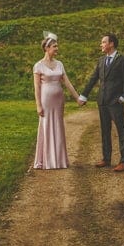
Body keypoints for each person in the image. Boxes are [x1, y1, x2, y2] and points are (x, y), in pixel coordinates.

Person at [78, 33, 124, 172]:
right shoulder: (101, 60)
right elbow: (93, 79)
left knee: (121, 131)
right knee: (105, 130)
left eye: (103, 42)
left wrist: (123, 97)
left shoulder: (123, 60)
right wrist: (84, 95)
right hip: (102, 101)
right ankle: (106, 159)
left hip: (116, 102)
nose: (101, 44)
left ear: (111, 44)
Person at [32, 32, 81, 169]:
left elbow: (68, 83)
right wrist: (38, 105)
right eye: (55, 46)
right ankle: (47, 160)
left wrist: (77, 98)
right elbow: (37, 88)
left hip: (59, 100)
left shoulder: (60, 64)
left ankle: (59, 160)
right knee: (47, 126)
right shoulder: (38, 66)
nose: (57, 48)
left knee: (58, 126)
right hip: (45, 100)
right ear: (47, 48)